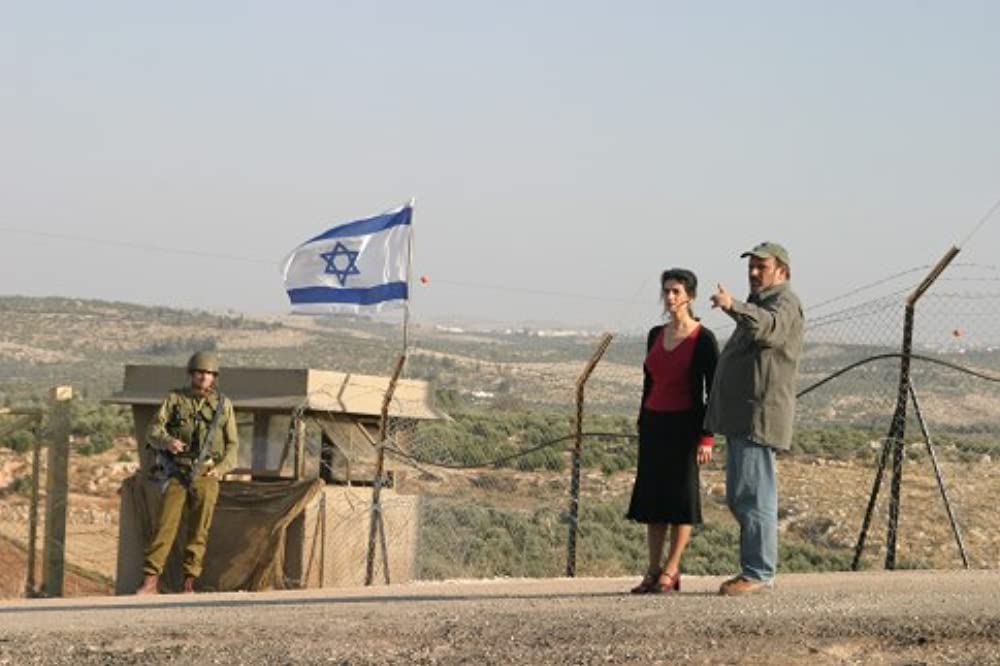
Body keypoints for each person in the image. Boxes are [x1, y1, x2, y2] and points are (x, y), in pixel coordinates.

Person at [706, 241, 804, 596]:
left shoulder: (783, 303)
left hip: (758, 417)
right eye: (752, 266)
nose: (753, 272)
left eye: (762, 267)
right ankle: (755, 569)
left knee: (753, 495)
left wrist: (733, 307)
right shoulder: (762, 304)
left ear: (782, 272)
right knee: (741, 494)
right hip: (742, 418)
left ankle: (758, 572)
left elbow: (769, 329)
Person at [626, 268, 719, 594]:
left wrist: (707, 437)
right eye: (666, 291)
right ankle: (652, 570)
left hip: (685, 425)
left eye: (676, 292)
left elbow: (713, 392)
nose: (670, 298)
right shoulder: (655, 334)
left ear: (690, 296)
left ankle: (672, 568)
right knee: (653, 499)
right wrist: (641, 419)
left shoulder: (703, 339)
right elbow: (649, 381)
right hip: (654, 424)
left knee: (681, 500)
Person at [135, 351, 238, 595]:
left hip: (206, 472)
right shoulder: (175, 399)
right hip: (177, 471)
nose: (204, 377)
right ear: (191, 374)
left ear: (215, 377)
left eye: (209, 374)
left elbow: (233, 444)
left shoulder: (223, 405)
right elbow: (153, 430)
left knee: (199, 530)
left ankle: (189, 582)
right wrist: (168, 441)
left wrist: (221, 469)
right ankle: (150, 581)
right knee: (165, 526)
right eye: (200, 373)